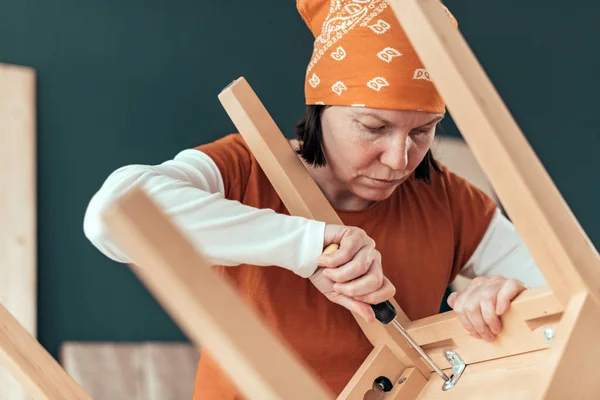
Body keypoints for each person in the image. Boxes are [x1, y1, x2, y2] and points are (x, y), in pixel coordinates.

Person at [83, 0, 546, 398]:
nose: (399, 158)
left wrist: (511, 293)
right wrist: (310, 246)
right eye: (374, 127)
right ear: (320, 110)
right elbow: (111, 217)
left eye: (422, 132)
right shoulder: (246, 168)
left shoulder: (446, 198)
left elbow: (577, 290)